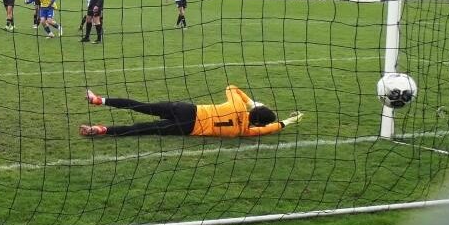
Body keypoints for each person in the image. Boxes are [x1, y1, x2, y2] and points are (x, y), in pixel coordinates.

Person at [79, 85, 304, 138]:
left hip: (187, 109)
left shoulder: (237, 105)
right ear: (258, 124)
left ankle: (99, 99)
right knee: (143, 129)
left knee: (141, 105)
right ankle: (100, 130)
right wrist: (290, 121)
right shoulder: (246, 131)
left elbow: (231, 86)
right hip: (187, 128)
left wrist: (252, 102)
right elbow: (272, 128)